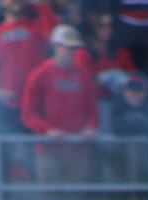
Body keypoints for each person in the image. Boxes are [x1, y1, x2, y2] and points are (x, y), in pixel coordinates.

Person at [20, 24, 99, 184]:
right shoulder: (40, 75)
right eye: (67, 48)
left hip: (77, 149)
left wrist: (90, 128)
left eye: (74, 48)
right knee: (49, 199)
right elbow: (29, 114)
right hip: (49, 150)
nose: (71, 52)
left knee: (75, 199)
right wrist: (48, 130)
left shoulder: (83, 75)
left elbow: (92, 110)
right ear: (56, 46)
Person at [0, 0, 52, 131]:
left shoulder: (37, 27)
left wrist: (41, 6)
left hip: (35, 103)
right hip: (8, 103)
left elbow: (54, 34)